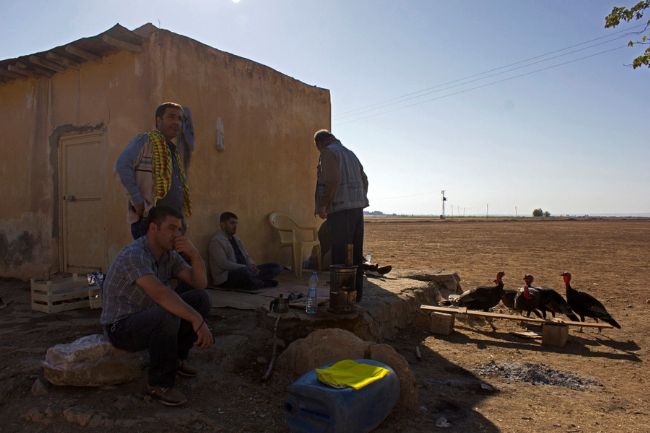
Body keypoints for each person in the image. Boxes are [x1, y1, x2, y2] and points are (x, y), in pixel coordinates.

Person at [100, 205, 213, 407]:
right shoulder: (134, 254)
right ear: (153, 228)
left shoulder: (169, 255)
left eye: (179, 229)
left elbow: (199, 282)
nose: (176, 235)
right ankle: (159, 384)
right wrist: (196, 319)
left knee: (200, 298)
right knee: (167, 313)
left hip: (148, 316)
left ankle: (176, 359)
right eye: (171, 228)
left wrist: (195, 255)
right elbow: (160, 294)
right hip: (121, 326)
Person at [116, 102, 192, 239]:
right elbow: (123, 165)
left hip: (174, 223)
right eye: (171, 117)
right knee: (151, 260)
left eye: (180, 119)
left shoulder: (173, 151)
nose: (176, 122)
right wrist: (137, 200)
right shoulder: (145, 141)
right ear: (158, 120)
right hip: (150, 221)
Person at [313, 129, 369, 301]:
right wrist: (358, 198)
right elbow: (364, 179)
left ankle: (340, 296)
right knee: (355, 253)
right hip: (357, 209)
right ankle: (355, 294)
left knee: (339, 255)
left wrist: (323, 205)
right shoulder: (350, 154)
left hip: (339, 210)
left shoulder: (328, 153)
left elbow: (332, 180)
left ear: (320, 143)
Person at [208, 211, 283, 290]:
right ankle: (260, 283)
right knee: (244, 273)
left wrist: (252, 265)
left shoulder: (237, 239)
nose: (235, 226)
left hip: (246, 270)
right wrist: (245, 267)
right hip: (227, 276)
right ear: (222, 225)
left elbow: (246, 256)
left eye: (236, 223)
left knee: (277, 267)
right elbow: (224, 264)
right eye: (232, 223)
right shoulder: (216, 241)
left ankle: (255, 282)